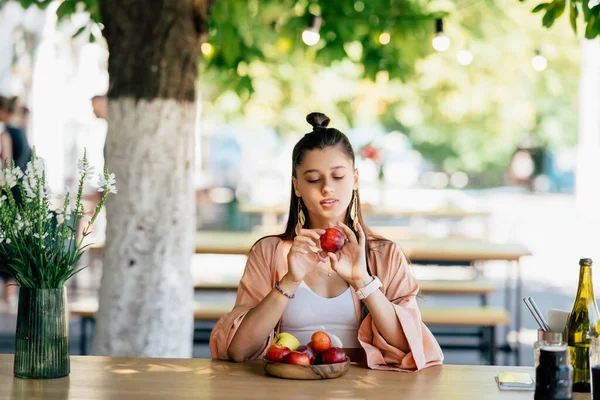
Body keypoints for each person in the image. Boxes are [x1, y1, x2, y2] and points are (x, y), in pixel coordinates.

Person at [209, 112, 443, 371]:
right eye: (313, 179)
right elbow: (239, 351)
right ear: (296, 185)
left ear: (355, 179)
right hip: (287, 387)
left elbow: (408, 346)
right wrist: (289, 281)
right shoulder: (269, 252)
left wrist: (362, 282)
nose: (327, 188)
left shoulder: (385, 255)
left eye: (338, 176)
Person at [0, 95, 32, 305]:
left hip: (8, 191)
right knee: (18, 236)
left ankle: (7, 293)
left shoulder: (6, 133)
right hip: (23, 192)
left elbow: (7, 166)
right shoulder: (22, 130)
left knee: (5, 238)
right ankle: (12, 292)